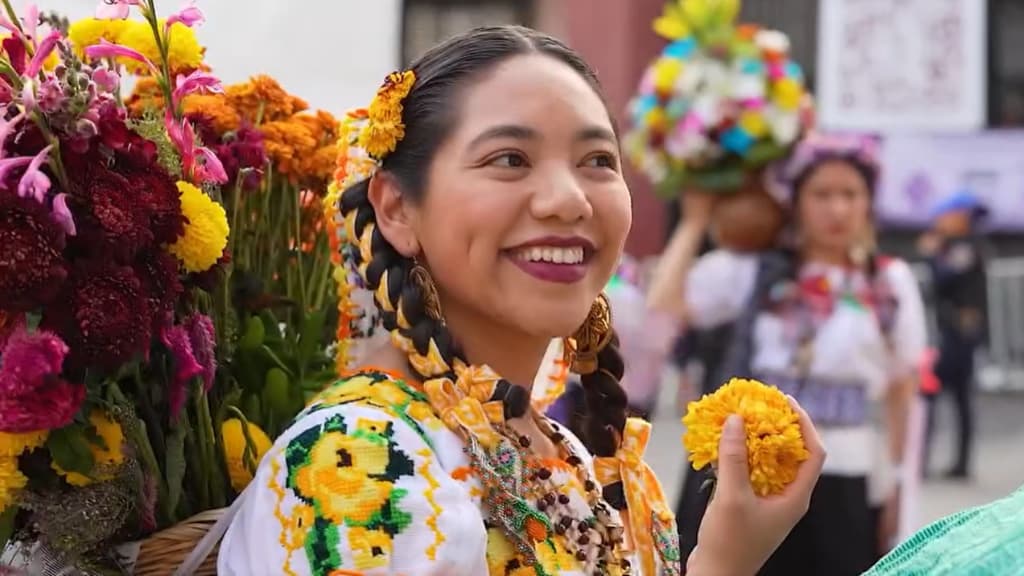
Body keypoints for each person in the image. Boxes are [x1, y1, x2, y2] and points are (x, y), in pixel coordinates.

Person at [214, 26, 825, 576]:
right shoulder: (363, 461)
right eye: (509, 159)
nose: (568, 199)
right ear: (397, 208)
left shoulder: (567, 454)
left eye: (597, 161)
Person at [648, 134, 928, 575]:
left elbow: (902, 390)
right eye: (822, 194)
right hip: (759, 476)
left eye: (850, 194)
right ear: (796, 203)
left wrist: (896, 484)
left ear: (868, 204)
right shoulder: (757, 270)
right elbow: (665, 301)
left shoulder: (890, 283)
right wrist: (694, 221)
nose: (837, 209)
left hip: (847, 476)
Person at [918, 190, 989, 480]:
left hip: (960, 334)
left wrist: (933, 254)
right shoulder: (955, 245)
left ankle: (940, 462)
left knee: (935, 392)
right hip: (951, 330)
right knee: (955, 397)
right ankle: (950, 462)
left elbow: (945, 278)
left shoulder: (965, 246)